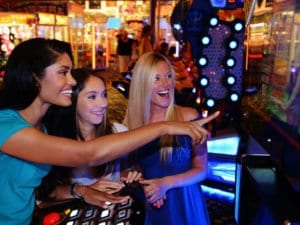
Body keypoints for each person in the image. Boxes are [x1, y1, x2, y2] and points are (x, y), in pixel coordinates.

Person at [0, 38, 219, 225]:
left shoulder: (44, 127)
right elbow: (87, 154)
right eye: (63, 73)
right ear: (35, 77)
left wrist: (81, 190)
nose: (72, 80)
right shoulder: (6, 125)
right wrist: (165, 126)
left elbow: (37, 190)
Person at [123, 52, 212, 225]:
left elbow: (202, 170)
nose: (166, 84)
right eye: (156, 78)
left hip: (186, 204)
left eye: (169, 76)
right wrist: (139, 182)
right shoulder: (132, 125)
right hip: (153, 204)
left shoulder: (189, 116)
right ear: (142, 84)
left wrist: (166, 183)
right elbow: (129, 170)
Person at [37, 68, 142, 207]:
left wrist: (129, 176)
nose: (103, 103)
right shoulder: (54, 141)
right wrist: (87, 190)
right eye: (92, 97)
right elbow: (42, 198)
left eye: (104, 95)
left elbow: (134, 170)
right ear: (72, 100)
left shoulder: (119, 132)